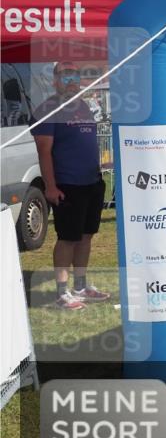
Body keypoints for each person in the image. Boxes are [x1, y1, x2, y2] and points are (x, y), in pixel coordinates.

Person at [30, 62, 110, 309]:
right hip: (67, 185)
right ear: (54, 81)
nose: (71, 80)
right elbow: (44, 151)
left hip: (92, 182)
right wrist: (50, 187)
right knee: (67, 239)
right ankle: (62, 292)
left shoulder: (83, 106)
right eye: (65, 76)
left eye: (74, 75)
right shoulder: (48, 109)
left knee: (86, 237)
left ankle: (81, 285)